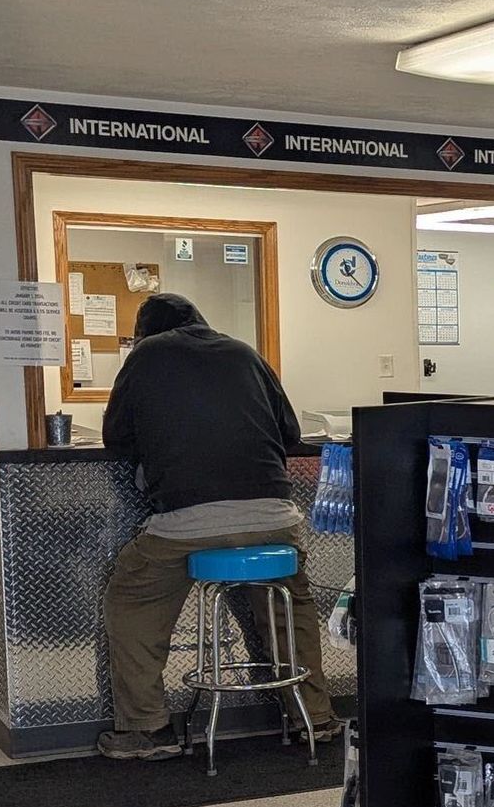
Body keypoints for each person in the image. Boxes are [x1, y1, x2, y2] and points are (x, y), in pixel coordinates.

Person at [96, 292, 339, 760]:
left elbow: (116, 437)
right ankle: (316, 717)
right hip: (275, 518)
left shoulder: (145, 356)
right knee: (291, 604)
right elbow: (290, 435)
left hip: (187, 521)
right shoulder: (245, 352)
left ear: (145, 332)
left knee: (130, 599)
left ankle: (146, 729)